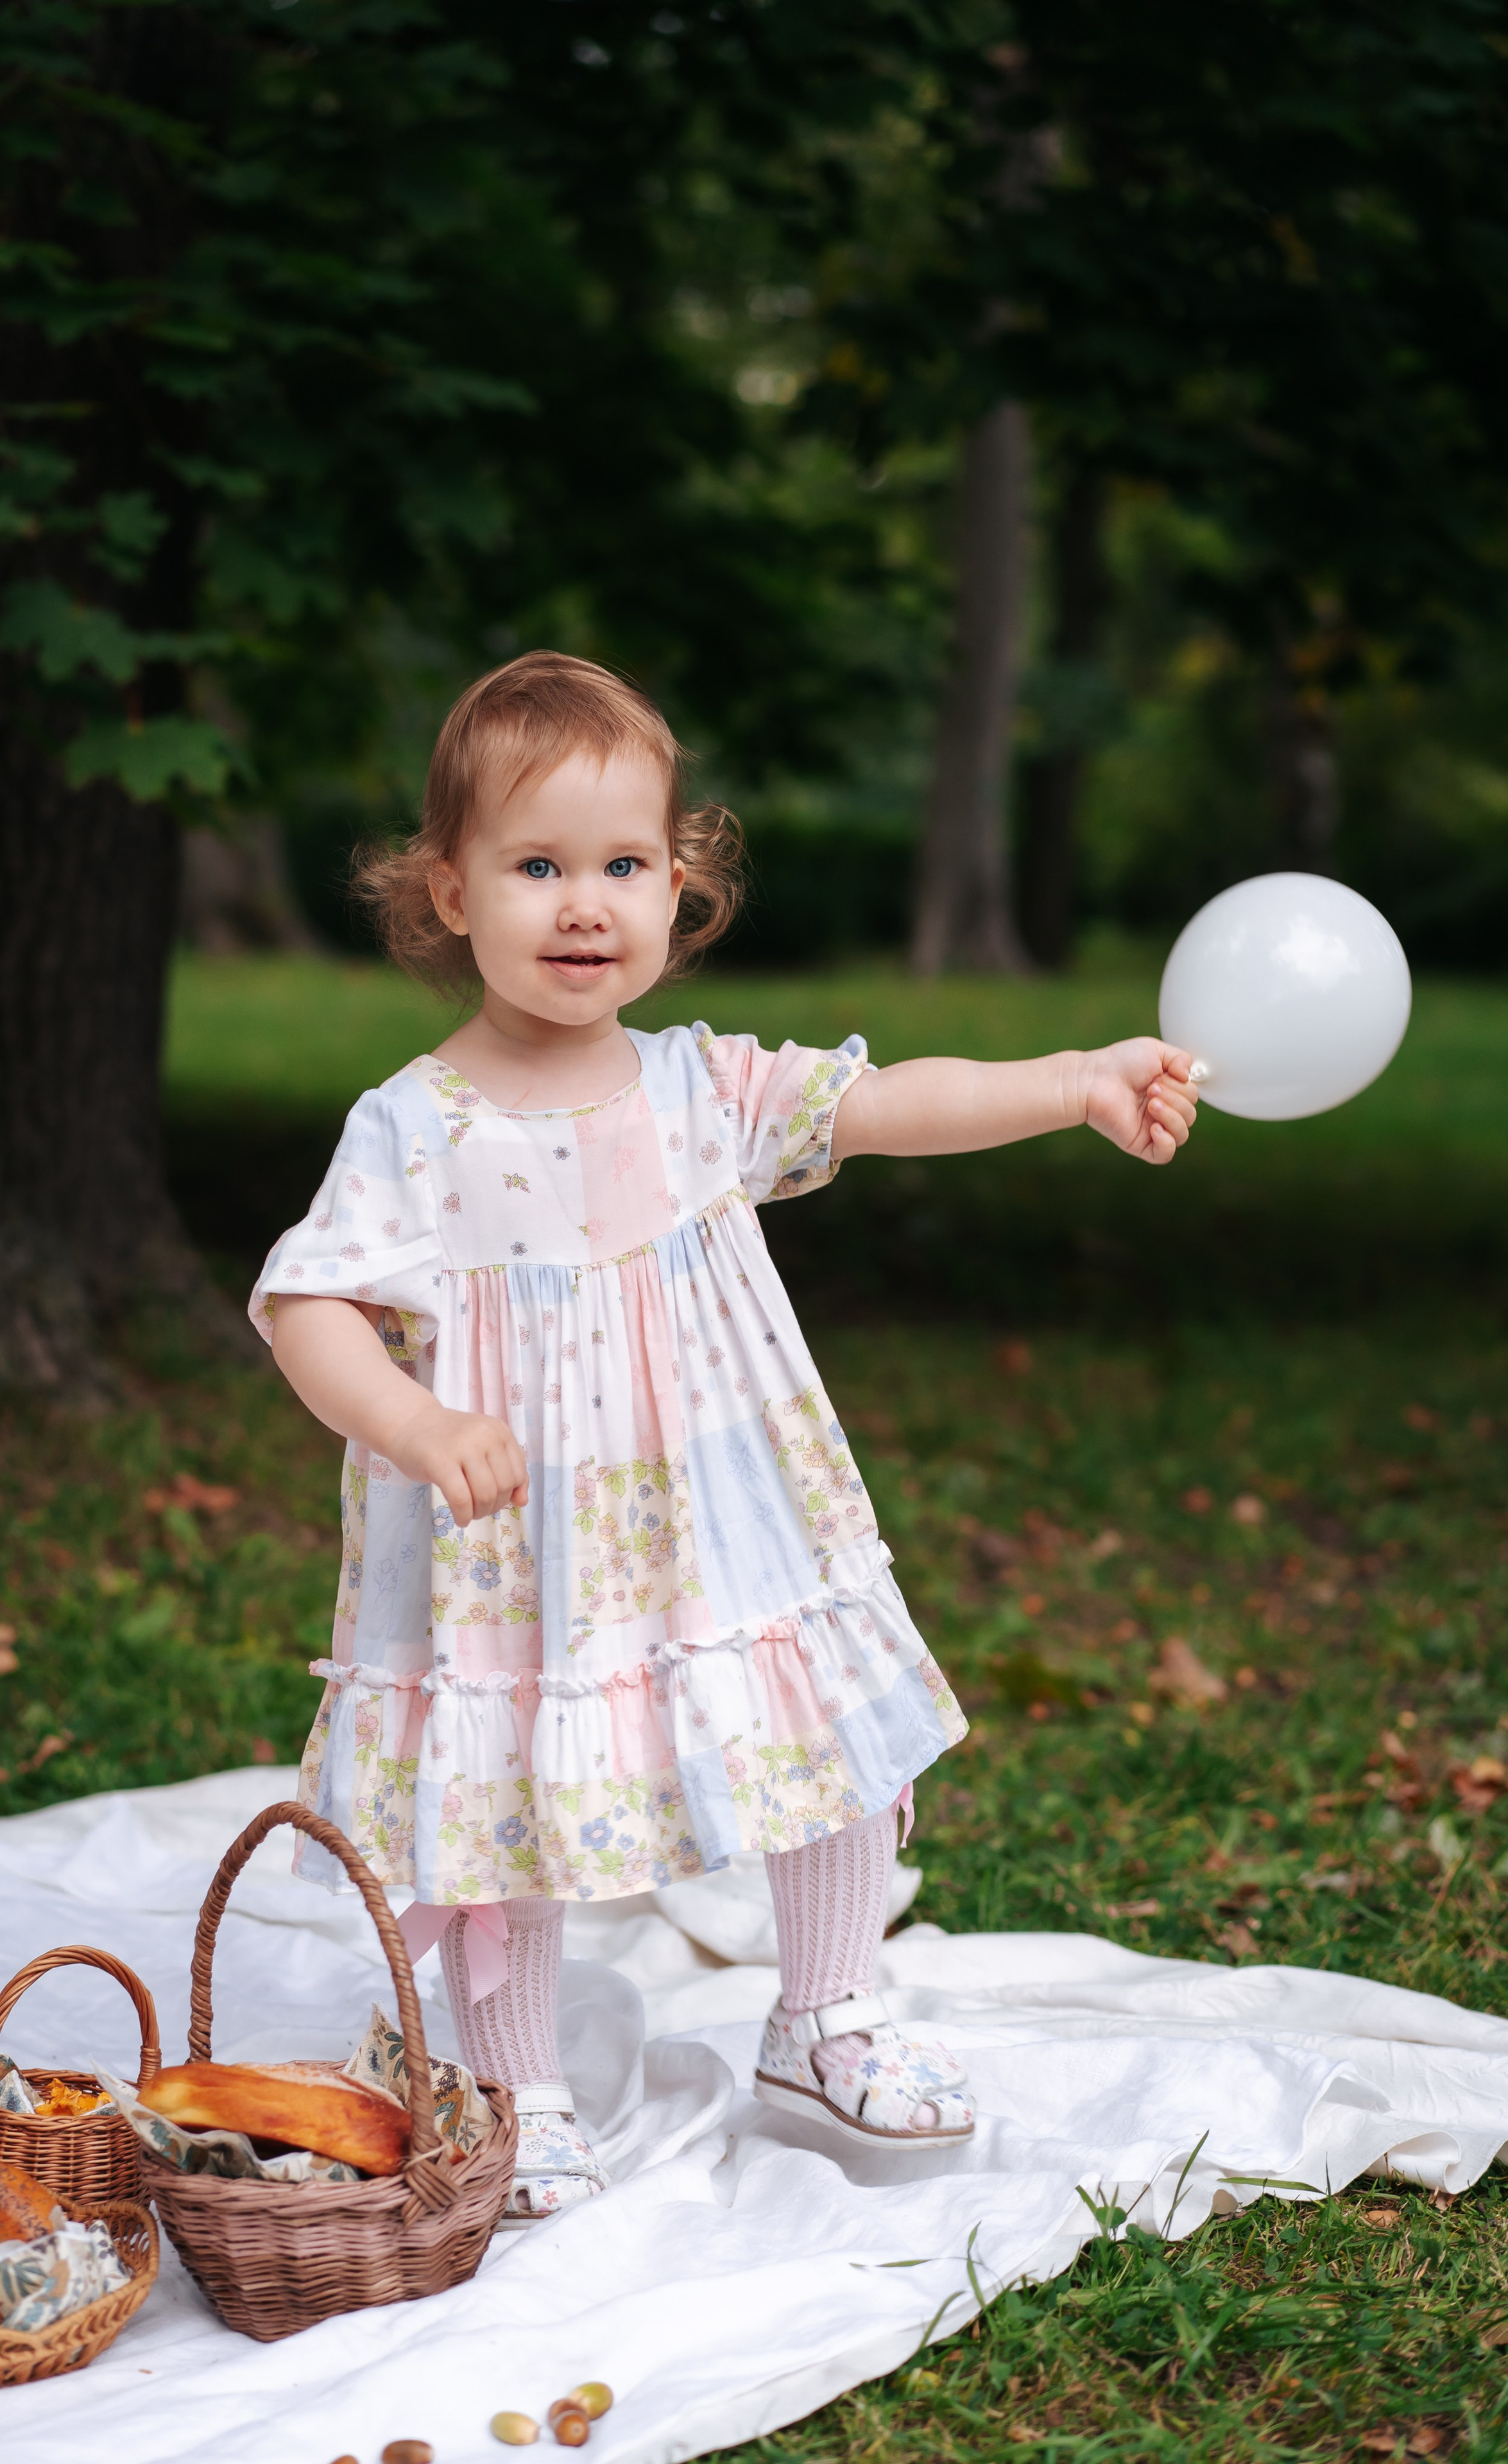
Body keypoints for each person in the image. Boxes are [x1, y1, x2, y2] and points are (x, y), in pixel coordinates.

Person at [252, 651, 1198, 2225]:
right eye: (535, 865)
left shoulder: (702, 1090)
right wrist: (410, 1419)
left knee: (813, 1728)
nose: (582, 905)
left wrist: (1075, 1079)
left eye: (621, 865)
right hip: (516, 1549)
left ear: (676, 884)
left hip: (725, 1511)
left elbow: (894, 1101)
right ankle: (508, 2078)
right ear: (449, 887)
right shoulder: (413, 1126)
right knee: (508, 1797)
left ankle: (821, 2016)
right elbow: (307, 1307)